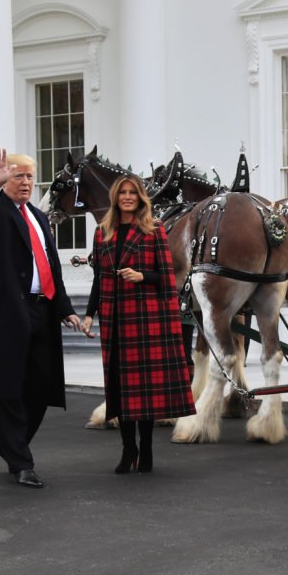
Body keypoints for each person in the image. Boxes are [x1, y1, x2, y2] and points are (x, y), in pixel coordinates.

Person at [0, 147, 81, 488]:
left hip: (42, 309)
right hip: (6, 313)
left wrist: (66, 308)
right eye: (17, 176)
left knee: (41, 387)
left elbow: (51, 267)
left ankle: (9, 443)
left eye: (29, 176)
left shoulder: (40, 218)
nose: (25, 182)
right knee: (8, 387)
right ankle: (21, 463)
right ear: (4, 179)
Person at [81, 174, 195, 474]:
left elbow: (167, 277)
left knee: (144, 390)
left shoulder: (153, 229)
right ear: (116, 197)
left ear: (140, 197)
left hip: (145, 320)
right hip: (114, 319)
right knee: (119, 388)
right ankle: (127, 449)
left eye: (133, 192)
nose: (128, 197)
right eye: (123, 192)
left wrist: (142, 276)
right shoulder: (102, 232)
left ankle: (145, 449)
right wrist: (90, 314)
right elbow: (98, 279)